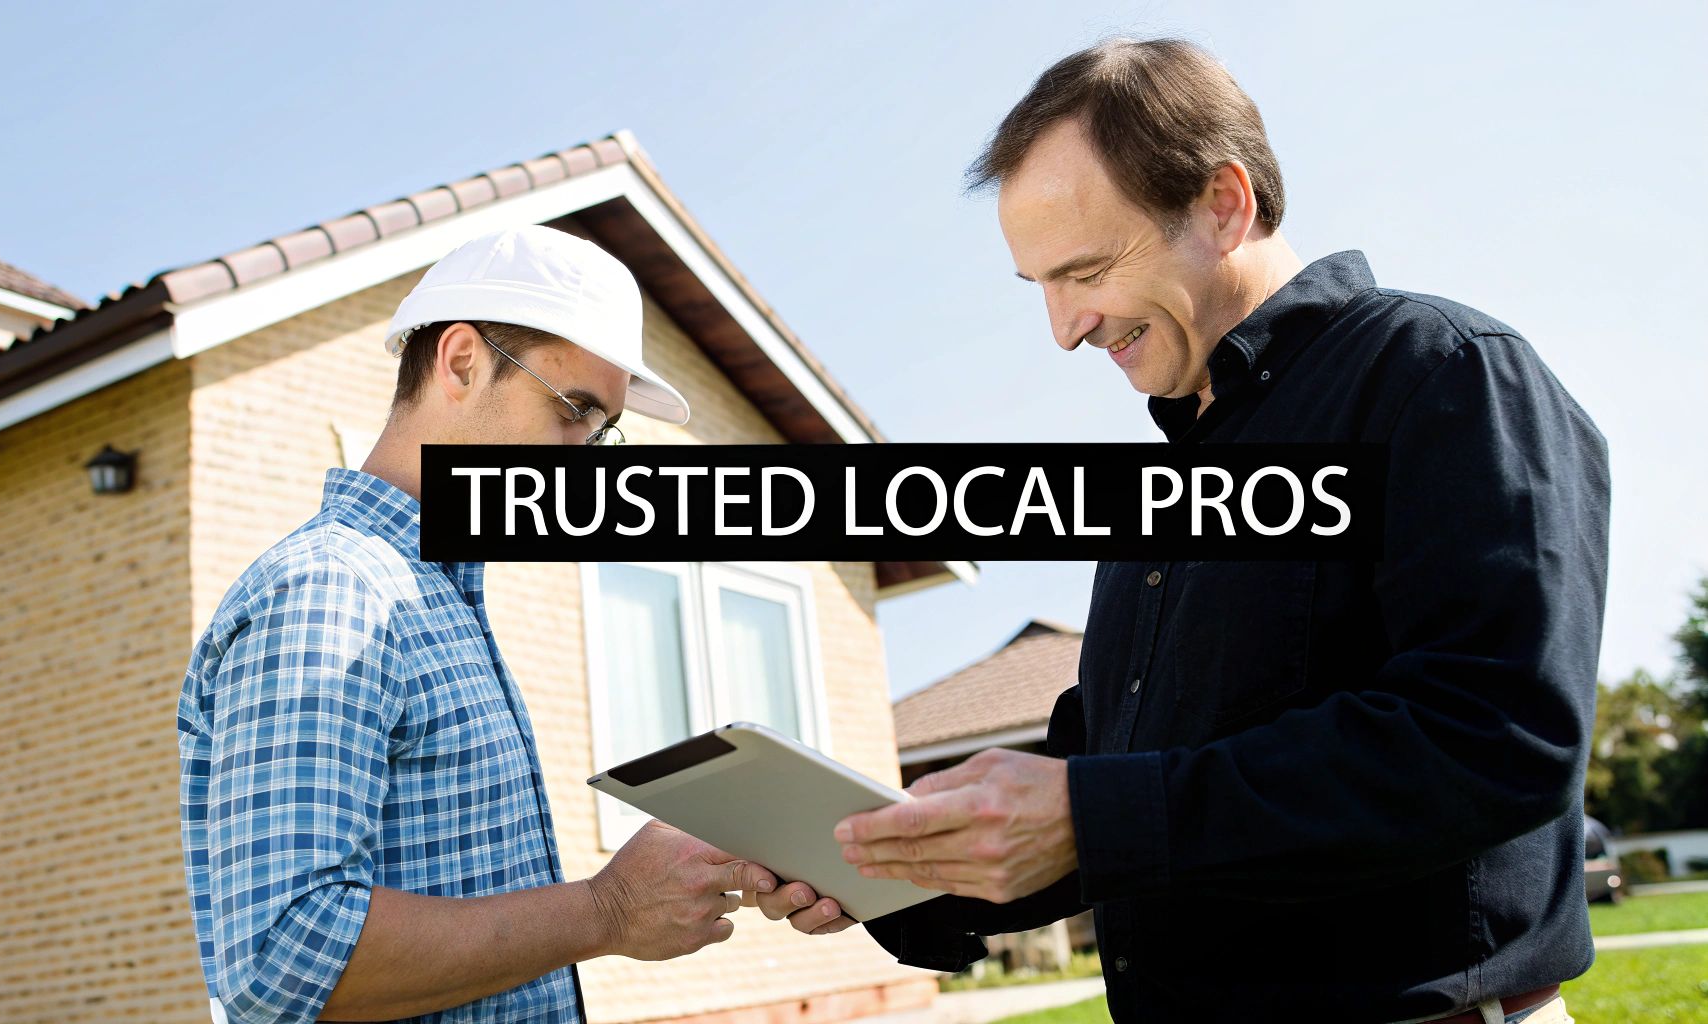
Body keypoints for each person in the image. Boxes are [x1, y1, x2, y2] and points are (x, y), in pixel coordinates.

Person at [757, 38, 1606, 1024]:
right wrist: (896, 872)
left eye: (1082, 271)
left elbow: (1496, 738)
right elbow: (1127, 793)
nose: (1062, 327)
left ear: (1221, 202)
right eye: (1035, 284)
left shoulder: (1443, 373)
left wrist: (1097, 813)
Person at [178, 226, 787, 1024]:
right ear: (461, 362)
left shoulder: (436, 598)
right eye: (572, 409)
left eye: (600, 429)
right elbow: (284, 957)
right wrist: (606, 911)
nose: (581, 454)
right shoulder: (332, 593)